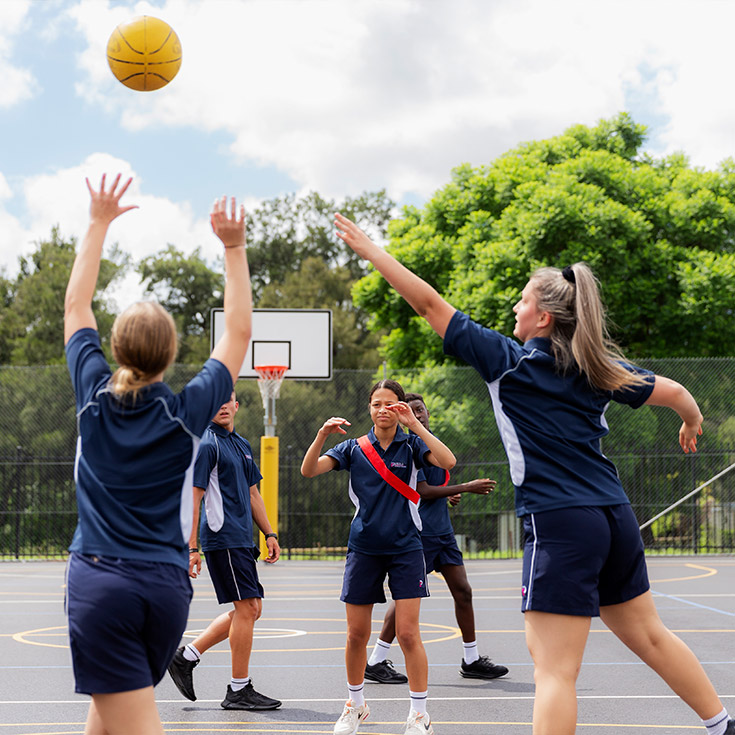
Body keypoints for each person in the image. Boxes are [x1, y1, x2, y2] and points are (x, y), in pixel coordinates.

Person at [334, 212, 734, 735]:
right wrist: (692, 420)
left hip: (559, 521)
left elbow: (428, 303)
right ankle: (721, 724)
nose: (514, 308)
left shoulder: (510, 363)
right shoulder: (599, 368)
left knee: (553, 671)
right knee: (650, 634)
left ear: (543, 317)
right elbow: (678, 393)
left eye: (522, 300)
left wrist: (372, 253)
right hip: (614, 515)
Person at [64, 174, 252, 735]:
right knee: (112, 711)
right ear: (171, 356)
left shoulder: (93, 398)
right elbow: (238, 330)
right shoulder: (188, 410)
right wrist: (234, 248)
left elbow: (76, 303)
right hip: (165, 587)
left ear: (113, 349)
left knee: (130, 715)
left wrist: (98, 222)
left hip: (103, 582)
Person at [301, 379, 456, 735]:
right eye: (376, 404)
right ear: (369, 408)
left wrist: (413, 423)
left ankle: (419, 714)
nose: (382, 410)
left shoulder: (413, 444)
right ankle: (355, 705)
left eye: (390, 404)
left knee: (408, 634)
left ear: (400, 407)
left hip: (406, 548)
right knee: (356, 635)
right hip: (364, 548)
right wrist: (322, 434)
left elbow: (448, 460)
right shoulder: (353, 448)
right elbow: (309, 470)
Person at [365, 391, 509, 686]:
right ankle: (375, 660)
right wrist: (465, 487)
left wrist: (451, 494)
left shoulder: (433, 445)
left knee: (463, 592)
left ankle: (471, 659)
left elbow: (436, 487)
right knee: (405, 599)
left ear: (427, 412)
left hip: (443, 534)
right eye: (412, 411)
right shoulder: (409, 447)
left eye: (421, 410)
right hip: (422, 534)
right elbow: (422, 490)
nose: (418, 415)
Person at [167, 390, 282, 711]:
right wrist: (192, 548)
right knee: (247, 610)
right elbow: (193, 498)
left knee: (251, 609)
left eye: (226, 400)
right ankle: (238, 689)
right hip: (223, 537)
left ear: (236, 405)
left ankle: (186, 657)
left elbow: (254, 494)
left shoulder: (241, 445)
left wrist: (269, 532)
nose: (221, 406)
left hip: (243, 538)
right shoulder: (207, 445)